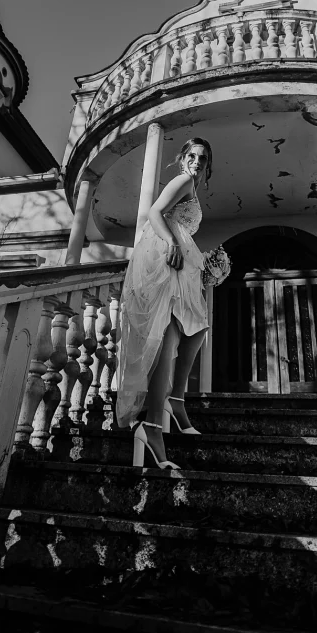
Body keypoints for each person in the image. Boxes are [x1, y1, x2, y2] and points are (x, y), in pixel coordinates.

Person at [117, 137, 212, 469]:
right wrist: (171, 242)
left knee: (196, 330)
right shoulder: (183, 179)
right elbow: (155, 212)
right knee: (171, 337)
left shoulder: (193, 187)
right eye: (193, 155)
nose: (198, 160)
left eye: (203, 157)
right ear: (183, 158)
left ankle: (175, 399)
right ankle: (154, 425)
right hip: (166, 261)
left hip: (181, 264)